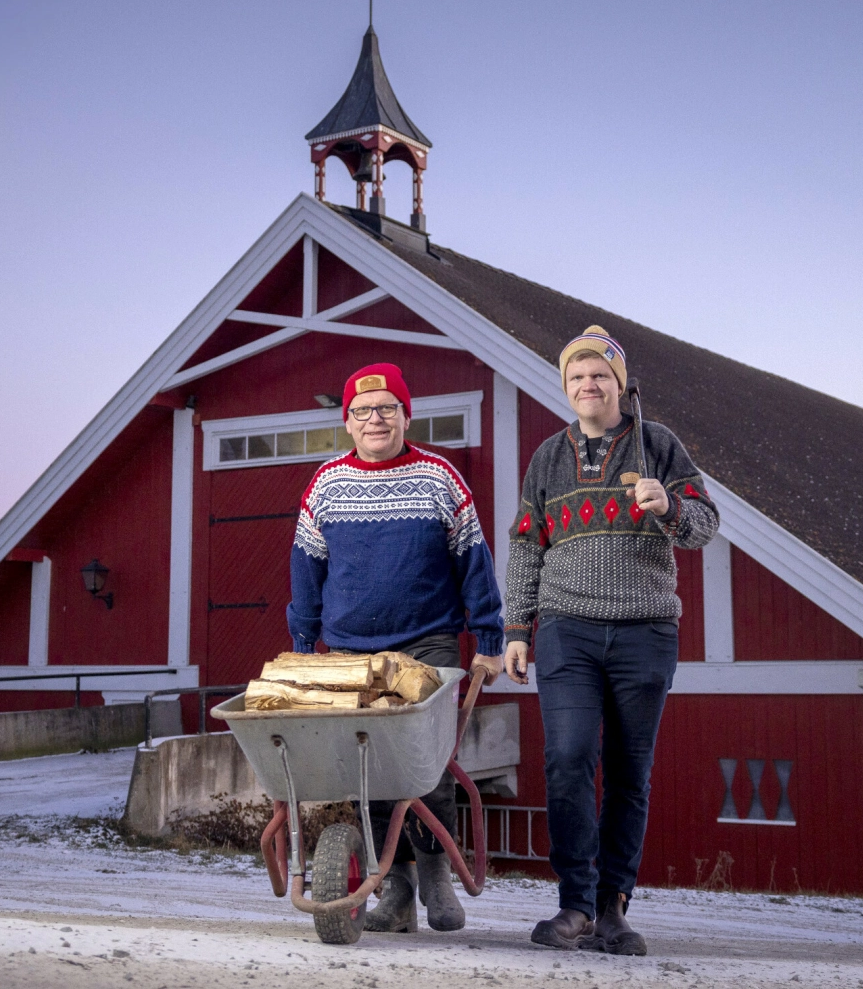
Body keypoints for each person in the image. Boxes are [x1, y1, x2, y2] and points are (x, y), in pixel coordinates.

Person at [504, 326, 720, 955]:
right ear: (565, 386)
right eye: (576, 376)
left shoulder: (659, 445)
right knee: (568, 757)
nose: (588, 385)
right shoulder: (547, 457)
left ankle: (612, 909)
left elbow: (705, 525)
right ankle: (574, 903)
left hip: (645, 631)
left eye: (599, 374)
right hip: (565, 627)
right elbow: (526, 546)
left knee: (629, 771)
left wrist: (668, 507)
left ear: (620, 384)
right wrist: (517, 628)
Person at [287, 362, 505, 933]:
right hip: (350, 649)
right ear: (348, 422)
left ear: (407, 415)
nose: (375, 419)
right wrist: (303, 643)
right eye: (362, 411)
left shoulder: (439, 478)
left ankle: (436, 871)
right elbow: (306, 570)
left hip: (427, 641)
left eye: (387, 408)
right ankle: (399, 884)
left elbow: (474, 562)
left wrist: (488, 639)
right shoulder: (326, 484)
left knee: (426, 761)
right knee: (369, 768)